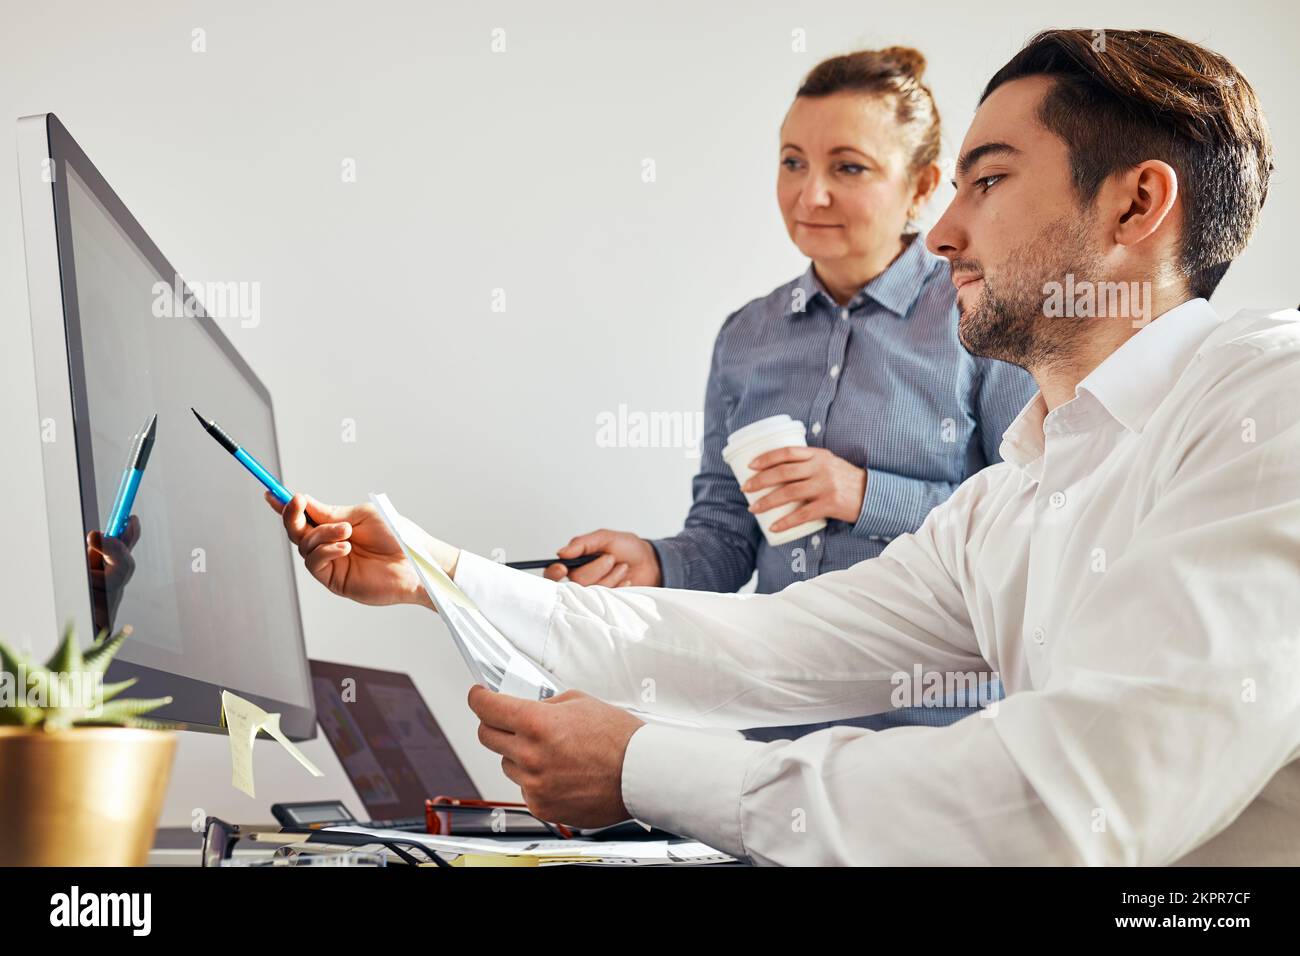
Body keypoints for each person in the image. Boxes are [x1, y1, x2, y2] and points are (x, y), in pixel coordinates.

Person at [270, 29, 1299, 865]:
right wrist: (443, 575)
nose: (941, 236)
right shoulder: (1014, 499)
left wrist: (645, 766)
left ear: (1134, 203)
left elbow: (1075, 798)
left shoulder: (1271, 397)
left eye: (984, 182)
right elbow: (765, 646)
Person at [543, 47, 1036, 736]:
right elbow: (724, 539)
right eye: (792, 162)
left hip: (940, 739)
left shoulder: (980, 314)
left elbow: (1033, 526)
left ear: (923, 187)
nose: (811, 195)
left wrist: (863, 494)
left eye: (848, 167)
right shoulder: (747, 336)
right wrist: (653, 560)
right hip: (773, 732)